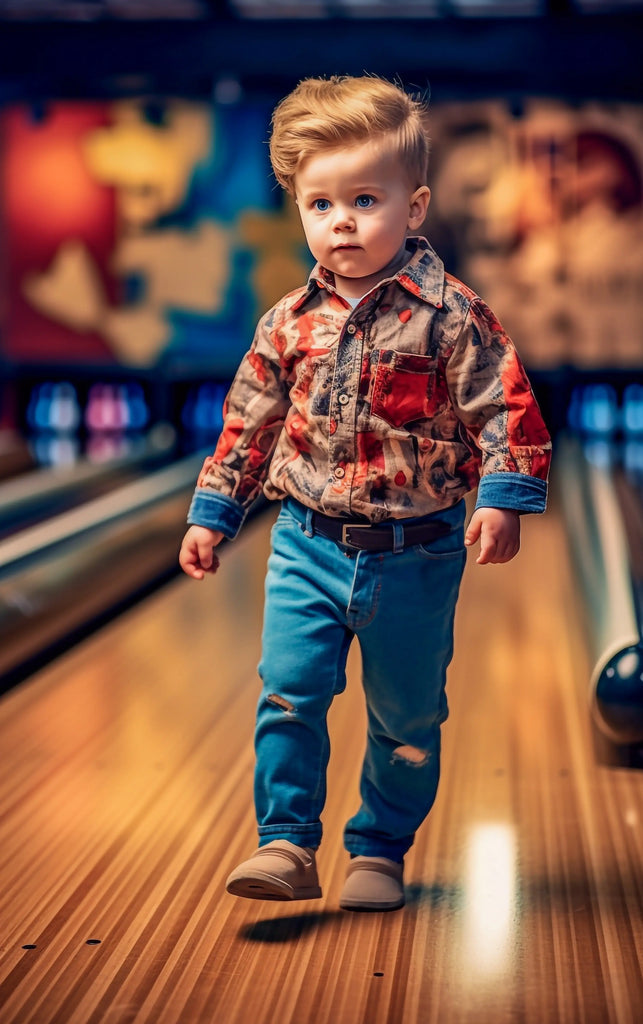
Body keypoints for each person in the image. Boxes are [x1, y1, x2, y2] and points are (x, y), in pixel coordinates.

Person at [179, 75, 551, 912]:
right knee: (288, 693)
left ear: (414, 208)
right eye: (319, 204)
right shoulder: (285, 321)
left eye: (364, 198)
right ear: (300, 210)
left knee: (406, 721)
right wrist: (213, 512)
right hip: (304, 545)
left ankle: (379, 849)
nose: (339, 221)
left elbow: (506, 407)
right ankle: (285, 843)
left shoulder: (454, 316)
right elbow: (247, 423)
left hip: (415, 558)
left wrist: (501, 495)